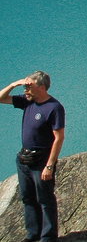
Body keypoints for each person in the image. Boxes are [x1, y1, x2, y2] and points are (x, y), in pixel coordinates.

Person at [2, 71, 65, 242]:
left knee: (45, 198)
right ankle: (33, 234)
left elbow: (59, 138)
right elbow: (0, 98)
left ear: (42, 87)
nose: (25, 90)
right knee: (27, 198)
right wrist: (14, 83)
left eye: (29, 86)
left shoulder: (54, 107)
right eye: (25, 87)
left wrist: (50, 165)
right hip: (24, 159)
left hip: (41, 160)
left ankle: (48, 237)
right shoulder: (27, 102)